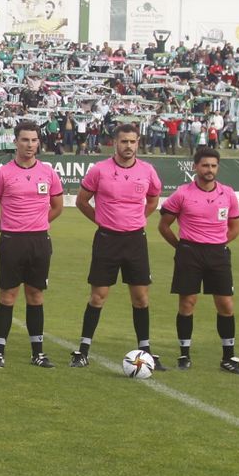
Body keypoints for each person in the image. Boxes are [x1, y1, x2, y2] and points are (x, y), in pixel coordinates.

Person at [70, 123, 162, 369]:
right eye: (124, 141)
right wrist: (101, 220)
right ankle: (83, 350)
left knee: (141, 298)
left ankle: (146, 352)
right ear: (115, 143)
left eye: (132, 141)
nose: (129, 146)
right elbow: (82, 200)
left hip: (135, 240)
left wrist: (140, 218)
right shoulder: (100, 170)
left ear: (138, 142)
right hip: (107, 240)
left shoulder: (147, 170)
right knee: (98, 297)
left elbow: (153, 199)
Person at [0, 120, 64, 369]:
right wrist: (7, 228)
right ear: (15, 142)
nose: (30, 144)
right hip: (11, 242)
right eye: (25, 140)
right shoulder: (3, 173)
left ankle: (37, 352)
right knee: (8, 296)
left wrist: (37, 224)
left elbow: (58, 206)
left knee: (35, 296)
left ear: (39, 142)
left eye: (34, 140)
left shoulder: (48, 173)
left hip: (39, 241)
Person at [158, 147, 239, 374]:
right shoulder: (182, 193)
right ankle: (184, 354)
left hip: (218, 253)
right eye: (205, 165)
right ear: (196, 167)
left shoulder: (228, 193)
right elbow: (164, 225)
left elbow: (235, 228)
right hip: (189, 252)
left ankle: (228, 357)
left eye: (213, 166)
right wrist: (181, 247)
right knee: (187, 303)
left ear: (218, 168)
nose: (209, 170)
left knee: (225, 304)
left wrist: (218, 243)